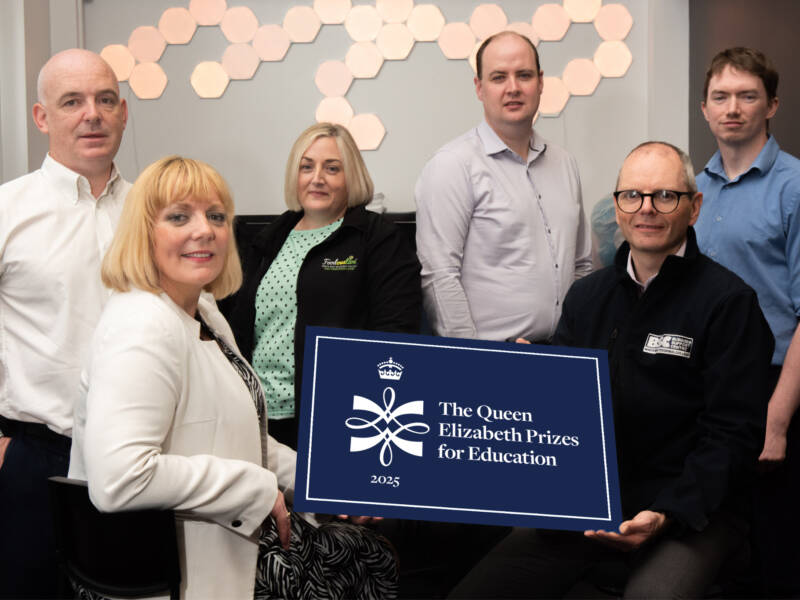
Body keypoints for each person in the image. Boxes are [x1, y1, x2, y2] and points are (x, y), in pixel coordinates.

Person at [449, 142, 774, 599]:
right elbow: (562, 412)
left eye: (665, 196)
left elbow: (732, 436)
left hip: (690, 512)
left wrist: (666, 513)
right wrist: (529, 379)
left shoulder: (728, 303)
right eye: (632, 195)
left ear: (694, 207)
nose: (647, 208)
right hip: (591, 504)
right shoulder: (587, 297)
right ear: (617, 206)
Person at [69, 156, 397, 599]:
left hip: (224, 552)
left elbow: (244, 438)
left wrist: (329, 482)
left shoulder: (203, 310)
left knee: (371, 555)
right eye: (179, 217)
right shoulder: (140, 325)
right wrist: (254, 487)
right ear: (143, 233)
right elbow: (119, 479)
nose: (204, 230)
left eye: (217, 216)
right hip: (174, 576)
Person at [0, 48, 130, 598]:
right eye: (72, 101)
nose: (91, 115)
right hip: (36, 460)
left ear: (123, 111)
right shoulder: (7, 211)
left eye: (105, 100)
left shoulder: (155, 214)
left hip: (142, 460)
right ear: (41, 116)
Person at [226, 122, 421, 450]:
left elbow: (397, 332)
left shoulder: (378, 238)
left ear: (352, 176)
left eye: (332, 168)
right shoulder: (268, 239)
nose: (317, 178)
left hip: (336, 415)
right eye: (307, 167)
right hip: (258, 414)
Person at [694, 47, 800, 596]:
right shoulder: (694, 189)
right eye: (721, 97)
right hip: (707, 389)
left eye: (747, 96)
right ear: (705, 109)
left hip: (775, 386)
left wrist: (776, 421)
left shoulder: (794, 186)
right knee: (717, 546)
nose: (732, 108)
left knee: (777, 550)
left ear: (772, 105)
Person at [415, 31, 591, 343]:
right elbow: (440, 275)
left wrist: (573, 340)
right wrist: (472, 356)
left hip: (561, 351)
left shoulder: (565, 163)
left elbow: (581, 265)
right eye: (499, 77)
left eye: (524, 75)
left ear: (540, 82)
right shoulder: (452, 165)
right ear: (479, 87)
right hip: (490, 356)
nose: (513, 88)